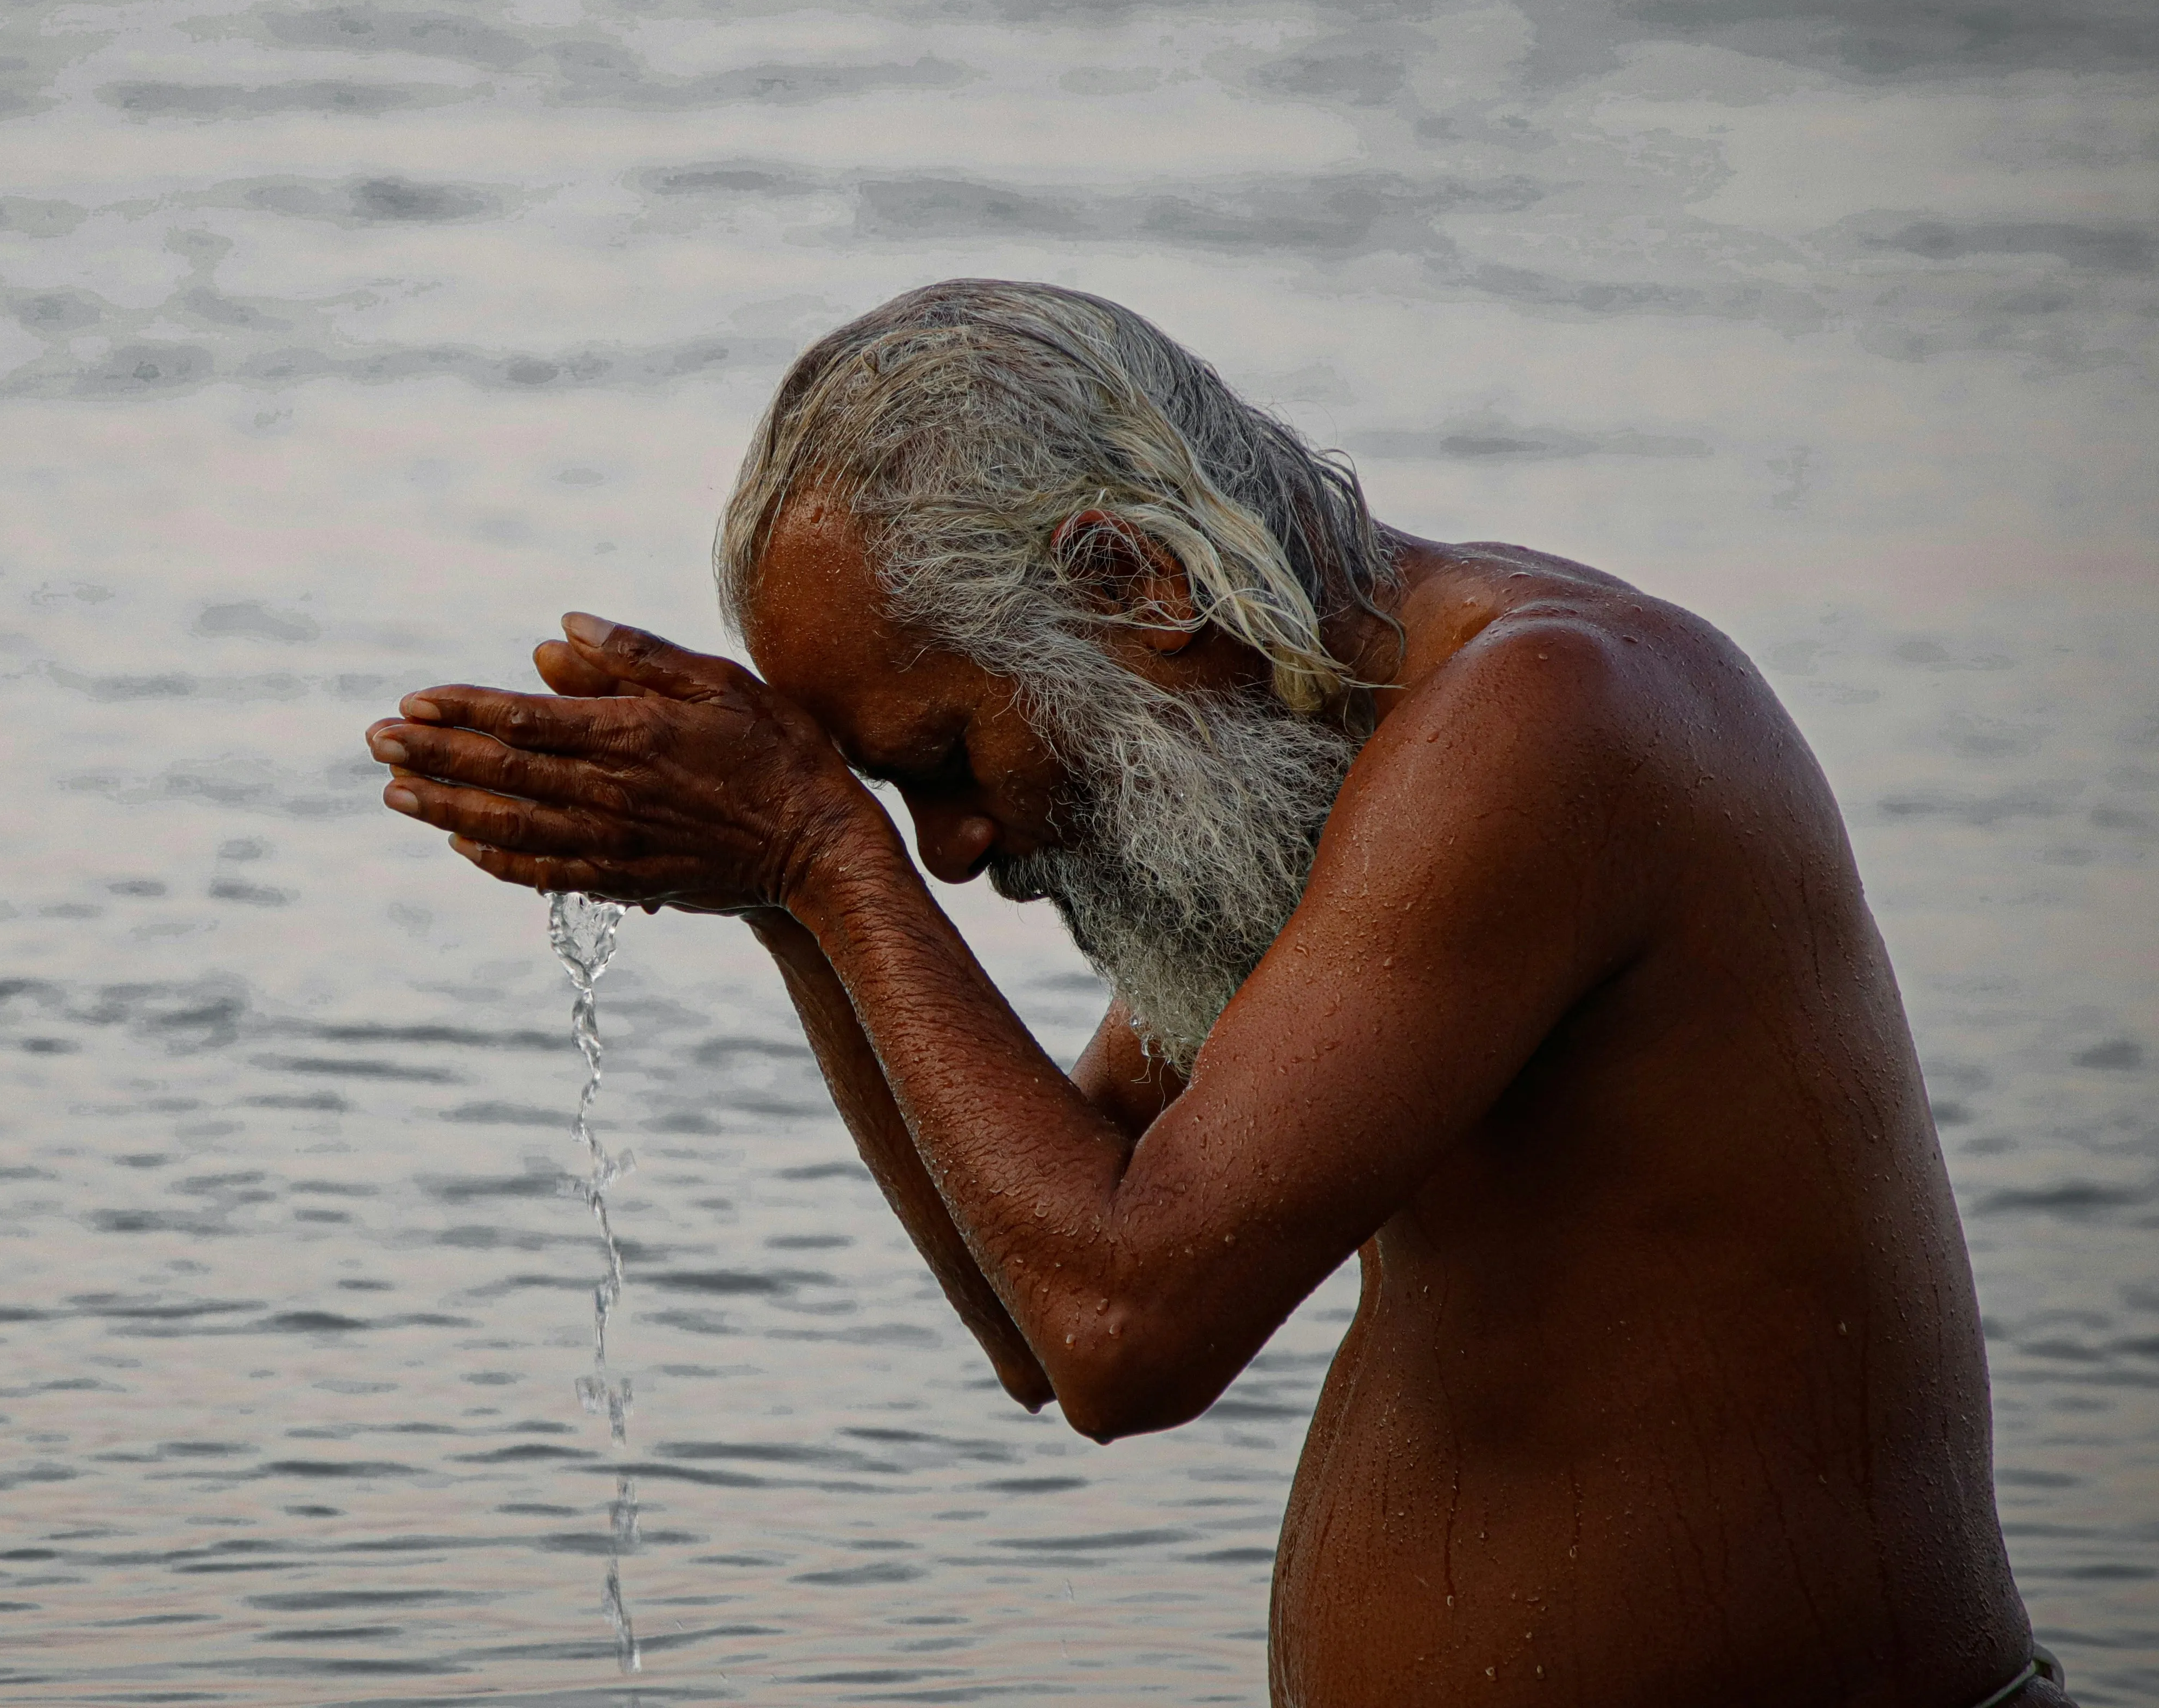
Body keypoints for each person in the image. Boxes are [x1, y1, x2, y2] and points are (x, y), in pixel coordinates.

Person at [363, 281, 2063, 1707]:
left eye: (944, 759)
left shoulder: (1550, 723)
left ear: (1133, 585)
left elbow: (1129, 1332)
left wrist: (824, 855)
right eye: (895, 802)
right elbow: (1035, 1302)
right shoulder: (1318, 763)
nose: (952, 851)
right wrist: (780, 891)